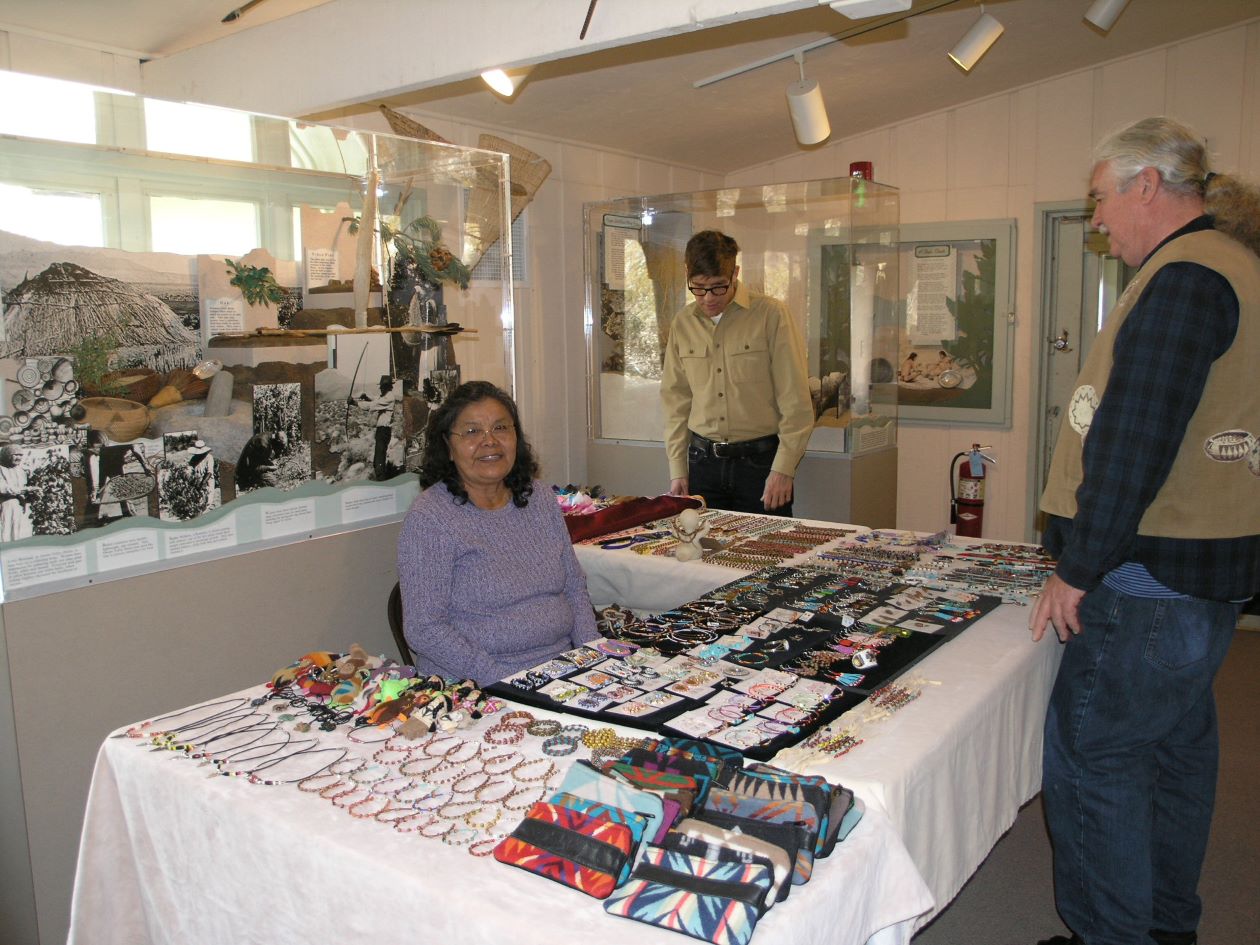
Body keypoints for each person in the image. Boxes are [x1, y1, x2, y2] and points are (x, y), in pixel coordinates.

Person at [1030, 117, 1260, 945]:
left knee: (1093, 758)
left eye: (1100, 198)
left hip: (1146, 585)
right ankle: (1165, 926)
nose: (1096, 219)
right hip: (1198, 580)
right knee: (1174, 755)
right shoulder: (1232, 265)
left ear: (1148, 186)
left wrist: (1077, 567)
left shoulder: (1186, 278)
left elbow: (1134, 441)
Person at [396, 380, 599, 683]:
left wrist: (593, 657)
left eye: (501, 428)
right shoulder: (431, 518)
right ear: (448, 447)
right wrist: (508, 683)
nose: (489, 441)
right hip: (479, 683)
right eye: (472, 431)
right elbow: (424, 629)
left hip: (560, 669)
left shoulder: (540, 498)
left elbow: (573, 587)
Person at [660, 230, 814, 515]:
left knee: (766, 544)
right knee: (702, 545)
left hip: (760, 466)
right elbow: (676, 402)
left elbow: (795, 400)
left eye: (718, 287)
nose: (708, 298)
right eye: (698, 288)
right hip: (702, 464)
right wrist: (677, 468)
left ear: (735, 274)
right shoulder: (683, 323)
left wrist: (784, 468)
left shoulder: (771, 315)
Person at [359, 375, 401, 481]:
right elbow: (375, 400)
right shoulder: (385, 396)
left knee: (379, 459)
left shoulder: (389, 397)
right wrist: (366, 398)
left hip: (383, 431)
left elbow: (373, 405)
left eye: (382, 387)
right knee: (378, 457)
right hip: (382, 431)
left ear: (387, 387)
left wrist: (355, 403)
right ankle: (381, 477)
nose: (380, 388)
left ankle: (382, 481)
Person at [0, 445, 34, 541]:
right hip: (6, 503)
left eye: (20, 455)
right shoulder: (1, 469)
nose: (18, 458)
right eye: (15, 455)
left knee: (19, 530)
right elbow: (3, 488)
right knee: (6, 528)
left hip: (21, 504)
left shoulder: (21, 470)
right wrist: (25, 489)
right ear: (7, 455)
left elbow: (23, 485)